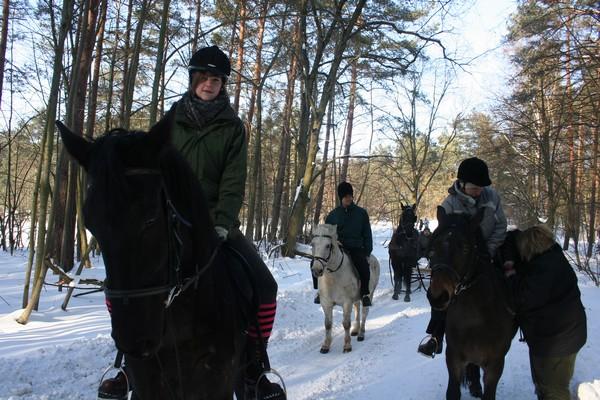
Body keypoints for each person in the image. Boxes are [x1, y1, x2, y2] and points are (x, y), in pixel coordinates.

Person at [99, 45, 285, 400]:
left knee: (264, 286)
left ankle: (255, 367)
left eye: (217, 79)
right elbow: (152, 170)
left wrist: (220, 223)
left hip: (217, 225)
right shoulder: (170, 123)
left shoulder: (232, 128)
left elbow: (233, 182)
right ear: (193, 80)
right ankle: (124, 362)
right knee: (120, 285)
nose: (210, 84)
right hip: (170, 222)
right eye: (204, 78)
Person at [417, 157, 507, 394]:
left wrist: (489, 250)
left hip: (488, 251)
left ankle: (521, 322)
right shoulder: (450, 203)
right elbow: (442, 235)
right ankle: (435, 336)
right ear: (462, 183)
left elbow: (500, 227)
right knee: (440, 293)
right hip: (458, 259)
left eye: (480, 188)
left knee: (510, 278)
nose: (478, 192)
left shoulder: (492, 198)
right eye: (473, 187)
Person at [504, 226, 586, 400]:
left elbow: (523, 299)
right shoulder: (553, 257)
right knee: (548, 385)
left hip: (557, 342)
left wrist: (511, 274)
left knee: (554, 390)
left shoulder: (544, 268)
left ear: (531, 246)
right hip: (566, 335)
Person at [324, 181, 374, 307]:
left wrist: (367, 252)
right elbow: (326, 234)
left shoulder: (361, 213)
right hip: (337, 248)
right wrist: (333, 241)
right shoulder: (333, 215)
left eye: (350, 196)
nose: (348, 199)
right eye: (346, 196)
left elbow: (367, 234)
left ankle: (364, 294)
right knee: (316, 263)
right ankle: (320, 292)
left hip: (356, 248)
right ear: (341, 198)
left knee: (363, 268)